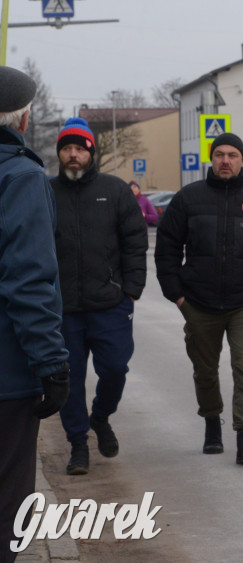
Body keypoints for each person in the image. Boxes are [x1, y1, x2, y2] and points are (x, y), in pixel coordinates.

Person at [155, 132, 243, 466]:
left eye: (232, 155)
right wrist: (176, 296)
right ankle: (211, 425)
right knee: (205, 370)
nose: (225, 160)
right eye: (219, 154)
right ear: (211, 158)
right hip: (199, 302)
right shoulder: (188, 199)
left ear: (242, 160)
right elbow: (167, 250)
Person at [51, 117, 149, 475]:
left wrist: (132, 292)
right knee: (68, 378)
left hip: (110, 304)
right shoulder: (47, 192)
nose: (73, 155)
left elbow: (135, 243)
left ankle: (102, 416)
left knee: (114, 368)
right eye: (67, 149)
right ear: (59, 153)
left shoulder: (116, 190)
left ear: (91, 152)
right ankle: (78, 444)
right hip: (63, 309)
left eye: (79, 149)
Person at [0, 66, 69, 562]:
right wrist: (51, 362)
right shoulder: (21, 175)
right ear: (23, 120)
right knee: (8, 503)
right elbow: (27, 280)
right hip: (6, 374)